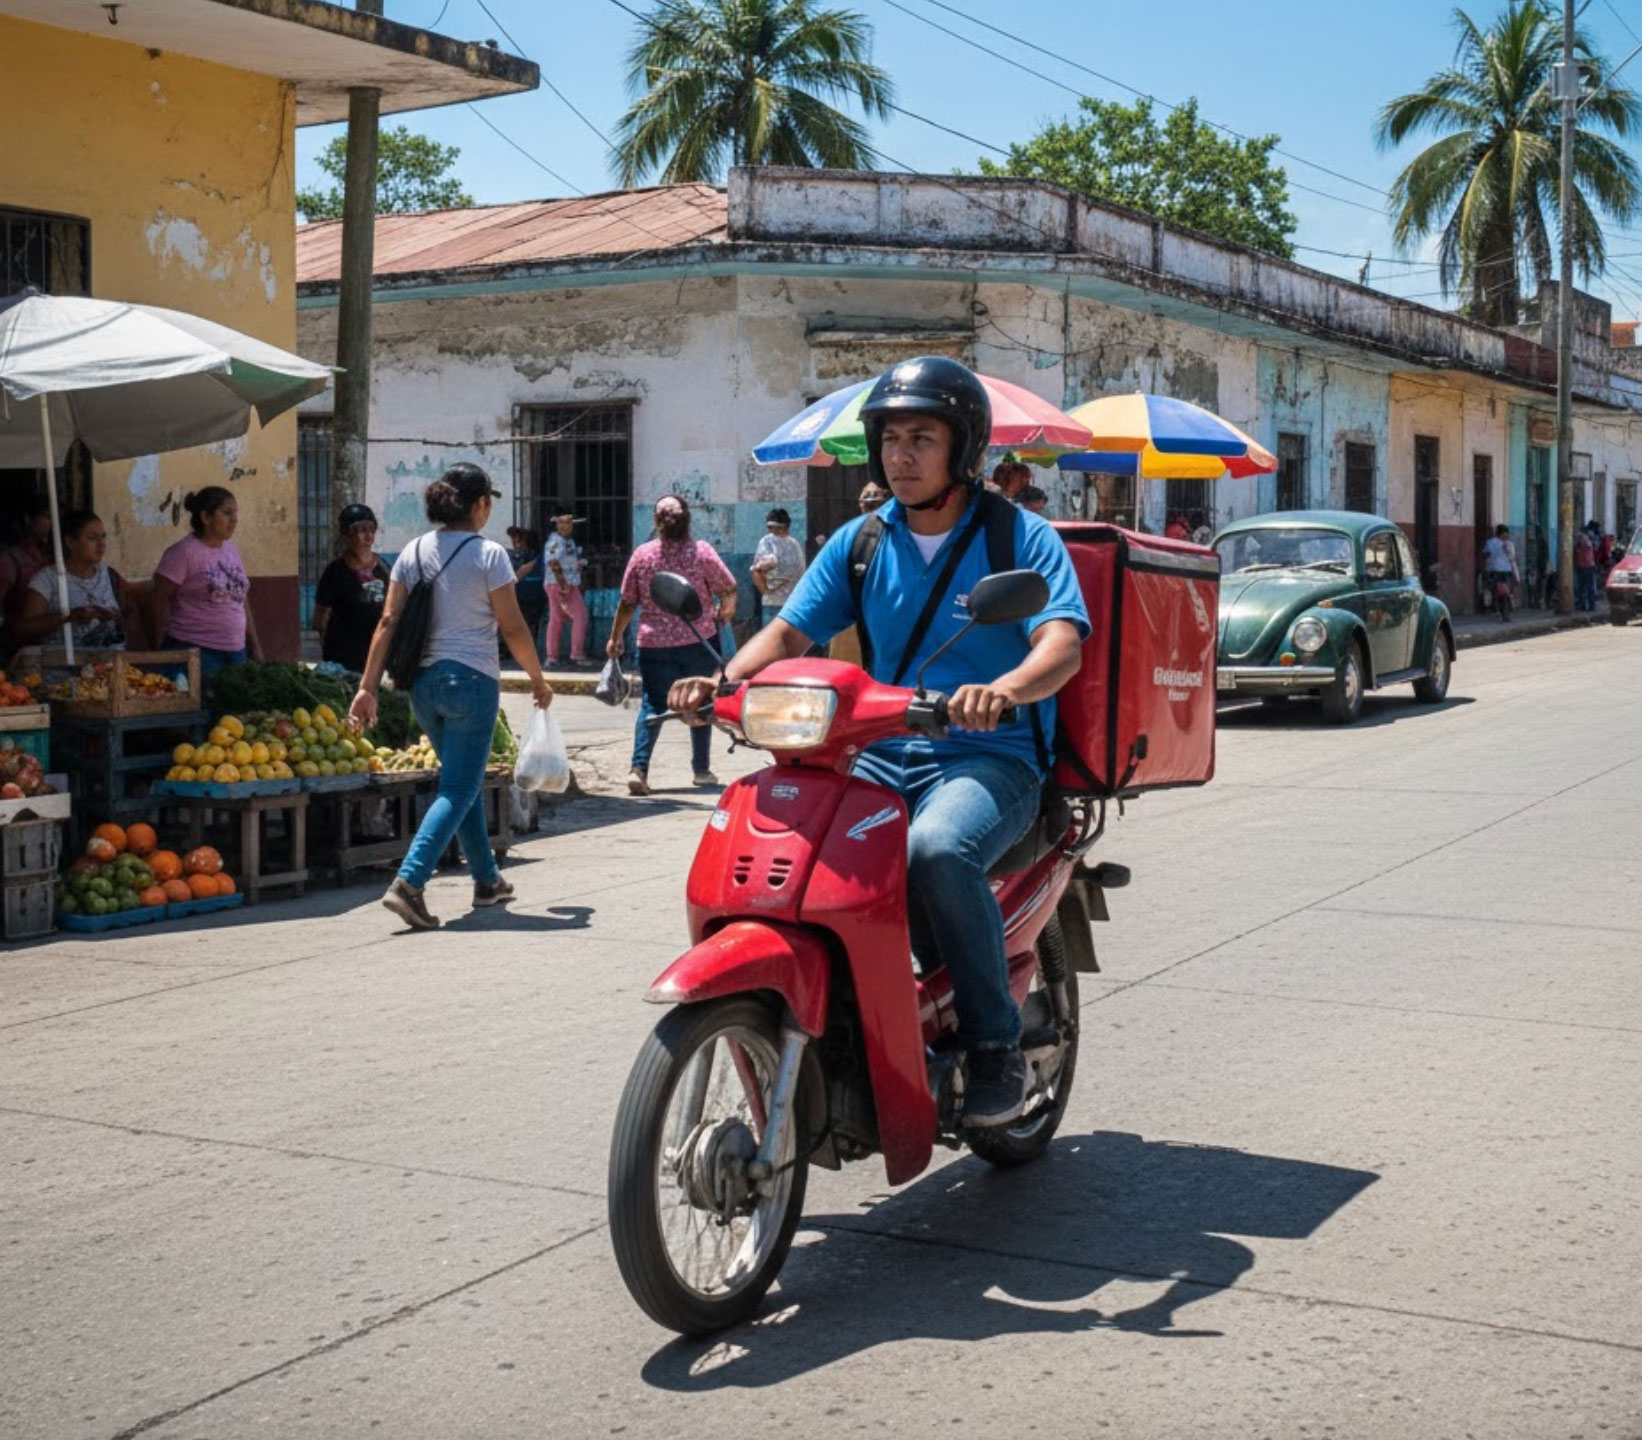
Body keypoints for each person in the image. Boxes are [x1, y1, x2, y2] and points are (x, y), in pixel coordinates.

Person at [670, 357, 1089, 1126]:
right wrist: (720, 682)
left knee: (935, 850)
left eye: (921, 438)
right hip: (881, 749)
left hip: (989, 757)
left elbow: (1061, 642)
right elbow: (792, 628)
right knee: (795, 856)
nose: (901, 455)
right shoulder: (862, 541)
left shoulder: (1015, 536)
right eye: (890, 438)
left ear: (964, 449)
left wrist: (1004, 691)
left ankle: (994, 1045)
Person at [349, 463, 554, 931]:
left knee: (462, 786)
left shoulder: (411, 551)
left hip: (421, 686)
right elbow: (514, 626)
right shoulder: (489, 555)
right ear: (479, 503)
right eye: (490, 502)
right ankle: (409, 882)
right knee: (459, 788)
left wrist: (366, 687)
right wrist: (538, 679)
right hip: (472, 684)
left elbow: (387, 622)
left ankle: (487, 879)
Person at [607, 494, 737, 795]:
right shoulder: (701, 552)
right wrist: (726, 608)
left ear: (657, 521)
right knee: (701, 699)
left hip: (654, 644)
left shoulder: (642, 555)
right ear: (688, 519)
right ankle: (701, 770)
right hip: (698, 639)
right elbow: (729, 587)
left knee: (652, 703)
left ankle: (639, 769)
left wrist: (615, 638)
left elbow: (627, 602)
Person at [148, 486, 262, 676]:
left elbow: (240, 599)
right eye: (227, 513)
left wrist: (255, 647)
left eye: (235, 513)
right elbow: (156, 600)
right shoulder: (183, 552)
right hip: (195, 651)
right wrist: (159, 648)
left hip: (236, 651)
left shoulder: (230, 549)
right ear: (206, 518)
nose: (234, 520)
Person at [16, 509, 128, 650]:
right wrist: (69, 616)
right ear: (70, 542)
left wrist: (114, 617)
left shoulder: (110, 576)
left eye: (103, 537)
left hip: (112, 666)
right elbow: (24, 628)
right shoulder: (47, 579)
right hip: (63, 668)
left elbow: (129, 616)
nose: (101, 544)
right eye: (92, 538)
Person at [312, 504, 389, 673]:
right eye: (361, 530)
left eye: (371, 529)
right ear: (347, 534)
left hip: (376, 652)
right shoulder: (335, 572)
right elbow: (319, 617)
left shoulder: (384, 568)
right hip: (343, 655)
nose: (368, 535)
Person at [0, 499, 56, 652]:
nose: (52, 524)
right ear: (28, 519)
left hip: (53, 643)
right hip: (19, 645)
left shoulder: (56, 557)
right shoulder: (12, 559)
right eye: (47, 517)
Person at [542, 514, 591, 668]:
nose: (568, 526)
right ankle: (577, 654)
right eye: (565, 523)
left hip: (565, 583)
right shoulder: (556, 541)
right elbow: (552, 561)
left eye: (570, 523)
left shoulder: (568, 541)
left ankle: (552, 657)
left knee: (556, 619)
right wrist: (562, 583)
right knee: (580, 616)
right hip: (561, 584)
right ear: (558, 525)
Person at [750, 506, 807, 621]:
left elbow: (757, 569)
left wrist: (765, 591)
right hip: (795, 602)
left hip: (773, 603)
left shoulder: (768, 541)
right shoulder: (795, 544)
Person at [504, 527, 547, 662]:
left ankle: (520, 652)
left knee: (524, 622)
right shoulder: (537, 556)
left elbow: (519, 573)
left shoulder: (524, 554)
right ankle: (527, 651)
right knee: (531, 623)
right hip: (533, 591)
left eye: (518, 539)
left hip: (525, 591)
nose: (515, 542)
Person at [1481, 524, 1519, 619]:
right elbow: (1512, 559)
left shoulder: (1490, 543)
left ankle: (1498, 610)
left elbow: (1485, 554)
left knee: (1496, 591)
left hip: (1495, 571)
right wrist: (1516, 575)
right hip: (1505, 571)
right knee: (1505, 591)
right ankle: (1504, 611)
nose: (1506, 536)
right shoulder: (1509, 544)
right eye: (1505, 534)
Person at [1573, 525, 1598, 612]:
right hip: (1589, 566)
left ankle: (1583, 604)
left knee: (1582, 587)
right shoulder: (1588, 540)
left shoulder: (1581, 540)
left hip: (1583, 566)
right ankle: (1590, 604)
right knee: (1588, 587)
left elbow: (1580, 554)